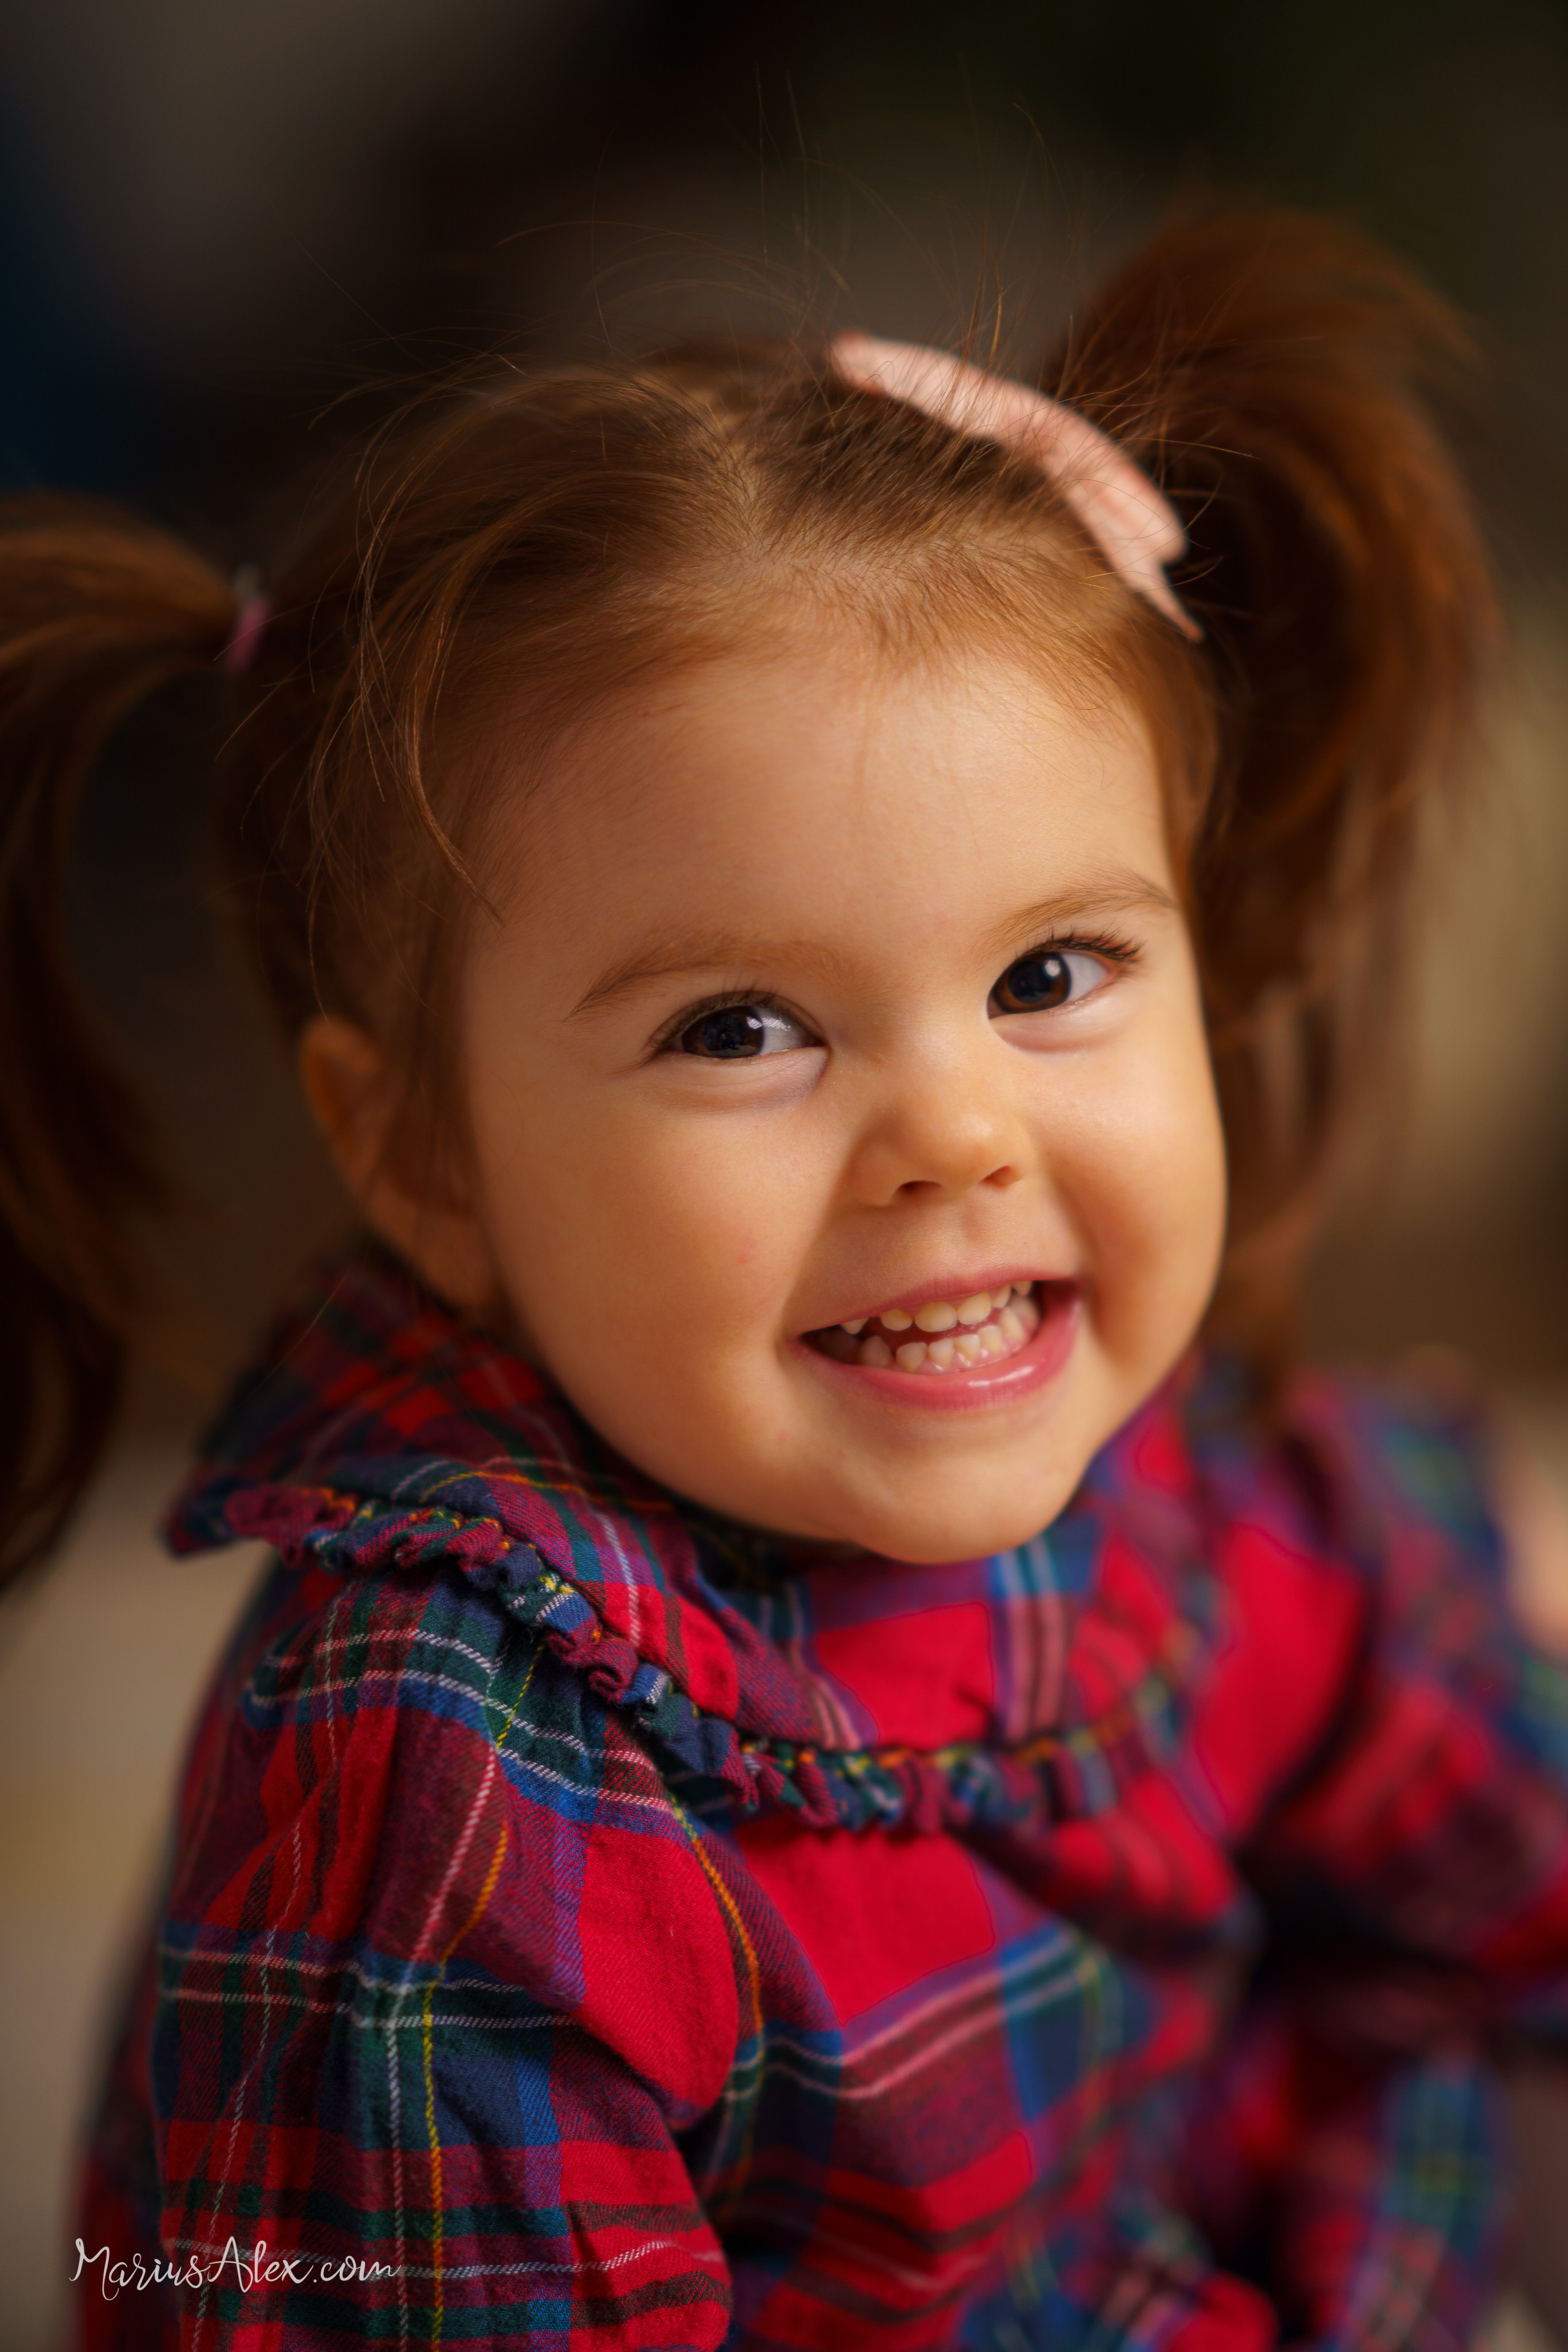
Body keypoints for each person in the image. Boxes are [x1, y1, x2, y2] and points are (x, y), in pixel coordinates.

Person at [9, 208, 1568, 2351]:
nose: (956, 1136)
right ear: (422, 1153)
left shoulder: (1152, 1450)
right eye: (743, 1029)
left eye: (1049, 974)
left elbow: (1444, 1752)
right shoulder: (460, 1790)